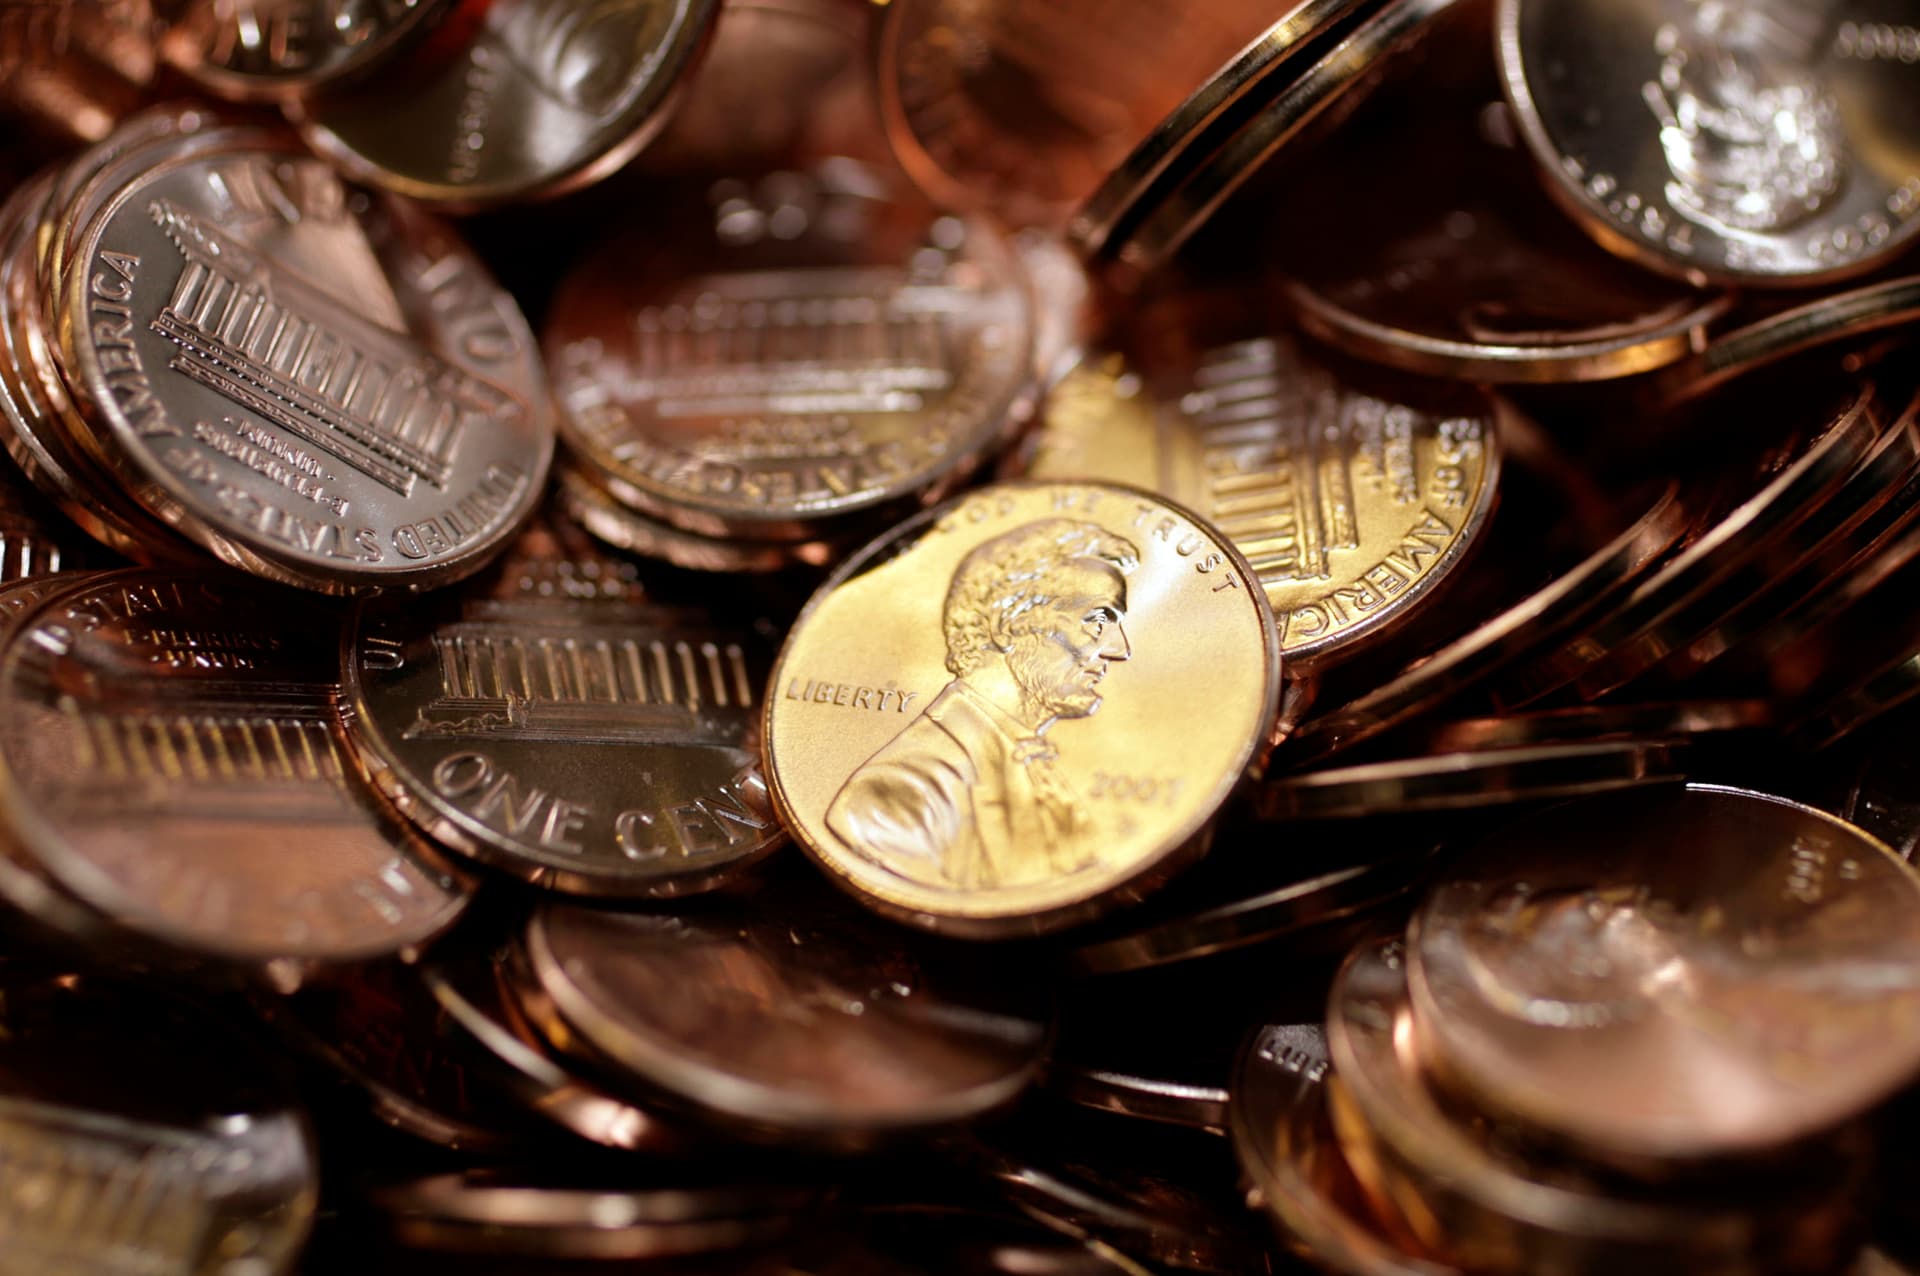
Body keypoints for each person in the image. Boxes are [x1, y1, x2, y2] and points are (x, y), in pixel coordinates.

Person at [827, 518, 1139, 891]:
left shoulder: (1032, 767)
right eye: (1098, 620)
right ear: (1007, 622)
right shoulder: (898, 794)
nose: (1120, 649)